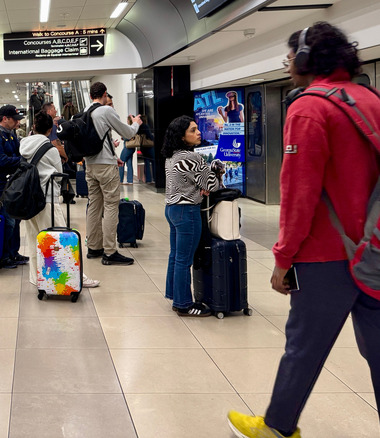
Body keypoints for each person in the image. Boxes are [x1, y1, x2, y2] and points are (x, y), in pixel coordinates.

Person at [228, 22, 380, 438]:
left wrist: (283, 257)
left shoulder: (309, 108)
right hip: (377, 251)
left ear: (308, 59)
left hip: (327, 256)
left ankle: (276, 428)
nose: (288, 63)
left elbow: (299, 193)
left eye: (291, 55)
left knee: (304, 347)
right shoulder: (370, 98)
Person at [21, 111, 100, 289]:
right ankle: (76, 277)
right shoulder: (50, 149)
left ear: (33, 127)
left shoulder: (23, 144)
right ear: (50, 130)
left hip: (28, 199)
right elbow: (59, 174)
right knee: (61, 238)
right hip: (46, 199)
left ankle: (36, 277)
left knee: (34, 239)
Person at [162, 116, 220, 316]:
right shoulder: (192, 158)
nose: (198, 133)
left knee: (175, 256)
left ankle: (174, 294)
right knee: (184, 259)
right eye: (193, 130)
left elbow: (188, 181)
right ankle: (184, 303)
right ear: (182, 137)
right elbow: (211, 185)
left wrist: (200, 183)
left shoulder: (172, 157)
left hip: (172, 208)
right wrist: (215, 173)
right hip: (187, 211)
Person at [83, 82, 142, 265]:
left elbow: (103, 139)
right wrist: (136, 123)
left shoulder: (86, 110)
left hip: (90, 164)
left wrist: (113, 155)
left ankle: (94, 247)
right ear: (105, 94)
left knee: (94, 205)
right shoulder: (105, 111)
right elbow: (127, 132)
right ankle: (109, 251)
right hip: (106, 167)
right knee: (111, 206)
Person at [0, 104, 27, 269]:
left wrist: (19, 160)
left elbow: (18, 155)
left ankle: (13, 253)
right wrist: (20, 161)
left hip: (11, 184)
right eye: (15, 120)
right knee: (7, 220)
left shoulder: (10, 136)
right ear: (5, 119)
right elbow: (1, 160)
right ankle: (4, 256)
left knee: (15, 220)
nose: (17, 123)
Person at [118, 115, 137, 185]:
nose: (126, 121)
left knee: (121, 162)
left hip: (127, 148)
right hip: (132, 148)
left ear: (129, 120)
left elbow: (128, 137)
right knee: (129, 164)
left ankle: (120, 180)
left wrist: (123, 136)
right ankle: (130, 180)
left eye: (127, 120)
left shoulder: (130, 128)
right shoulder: (135, 128)